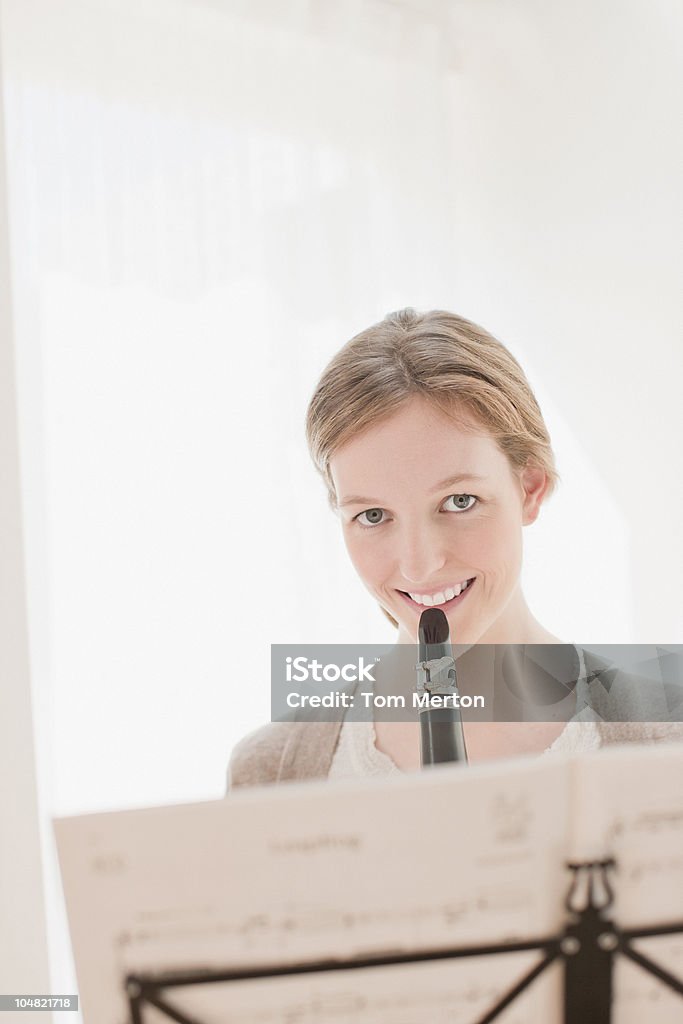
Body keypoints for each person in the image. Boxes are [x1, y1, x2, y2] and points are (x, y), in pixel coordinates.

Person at [227, 309, 682, 790]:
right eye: (373, 516)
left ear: (529, 487)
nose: (420, 565)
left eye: (458, 502)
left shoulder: (668, 735)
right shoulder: (272, 770)